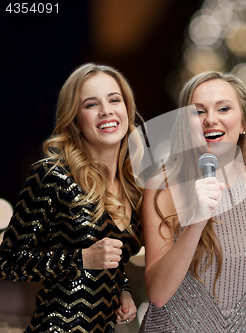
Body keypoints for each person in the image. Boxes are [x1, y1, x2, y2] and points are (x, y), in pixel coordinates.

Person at [0, 63, 143, 332]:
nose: (106, 110)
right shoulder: (52, 174)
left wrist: (122, 290)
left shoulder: (132, 185)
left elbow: (110, 261)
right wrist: (81, 259)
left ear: (126, 109)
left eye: (114, 99)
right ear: (75, 120)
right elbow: (8, 261)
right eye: (91, 104)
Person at [138, 71, 246, 332]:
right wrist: (195, 222)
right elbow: (158, 294)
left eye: (224, 108)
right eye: (198, 112)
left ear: (242, 123)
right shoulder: (163, 186)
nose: (211, 119)